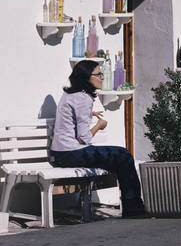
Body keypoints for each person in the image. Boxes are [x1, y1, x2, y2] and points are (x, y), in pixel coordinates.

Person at [50, 59, 151, 219]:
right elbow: (84, 139)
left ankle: (132, 207)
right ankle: (133, 209)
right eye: (98, 74)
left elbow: (71, 118)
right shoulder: (83, 98)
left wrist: (90, 114)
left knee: (119, 157)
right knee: (123, 156)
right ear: (86, 77)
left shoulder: (71, 94)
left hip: (60, 152)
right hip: (71, 153)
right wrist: (99, 124)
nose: (102, 77)